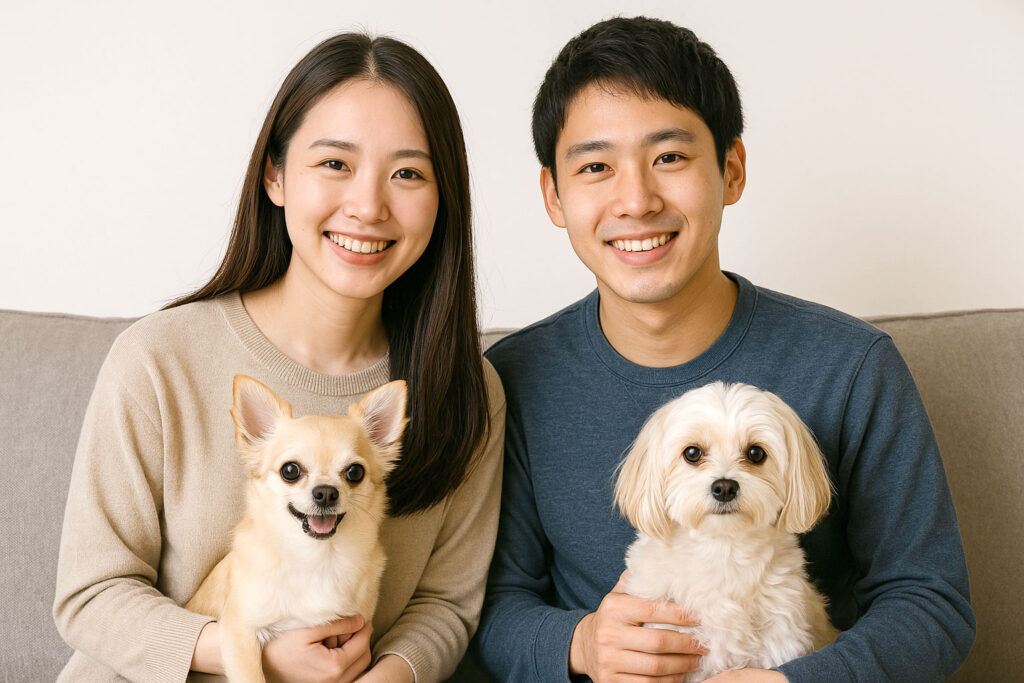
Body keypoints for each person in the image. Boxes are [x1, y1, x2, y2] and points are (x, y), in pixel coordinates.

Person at [475, 16, 974, 682]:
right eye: (596, 166)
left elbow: (932, 605)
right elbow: (489, 609)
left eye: (669, 157)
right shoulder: (508, 380)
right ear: (554, 196)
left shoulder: (855, 367)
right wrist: (581, 643)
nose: (636, 200)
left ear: (731, 170)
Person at [53, 32, 504, 683]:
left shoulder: (462, 387)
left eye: (407, 173)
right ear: (275, 175)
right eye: (335, 163)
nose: (368, 206)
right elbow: (89, 595)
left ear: (444, 197)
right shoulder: (158, 359)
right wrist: (248, 651)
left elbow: (446, 603)